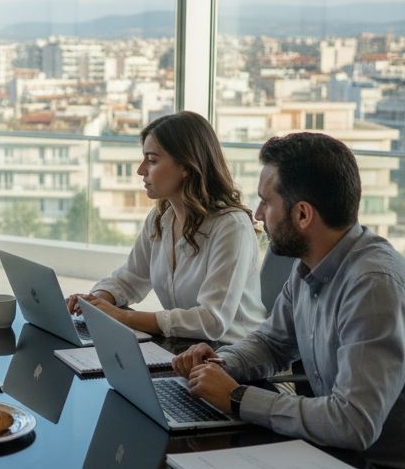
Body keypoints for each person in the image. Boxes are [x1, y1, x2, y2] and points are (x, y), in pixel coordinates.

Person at [173, 132, 405, 469]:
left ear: (302, 215)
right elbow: (272, 343)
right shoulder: (310, 264)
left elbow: (353, 422)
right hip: (344, 459)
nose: (257, 214)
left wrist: (238, 398)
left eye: (266, 202)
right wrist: (220, 365)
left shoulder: (373, 287)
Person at [67, 111, 265, 342]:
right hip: (184, 348)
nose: (141, 170)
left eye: (152, 160)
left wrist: (122, 317)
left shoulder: (231, 227)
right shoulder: (161, 218)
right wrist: (96, 301)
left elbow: (212, 321)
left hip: (231, 356)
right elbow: (129, 278)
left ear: (186, 166)